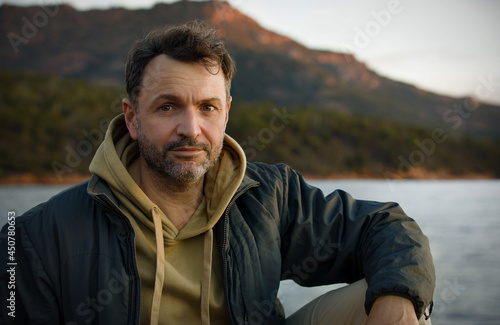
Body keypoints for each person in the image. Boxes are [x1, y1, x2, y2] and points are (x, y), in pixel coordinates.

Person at [0, 21, 435, 325]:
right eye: (167, 106)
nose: (191, 129)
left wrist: (398, 304)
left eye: (207, 107)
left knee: (388, 294)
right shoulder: (36, 237)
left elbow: (387, 226)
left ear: (225, 114)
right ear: (132, 119)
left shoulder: (269, 196)